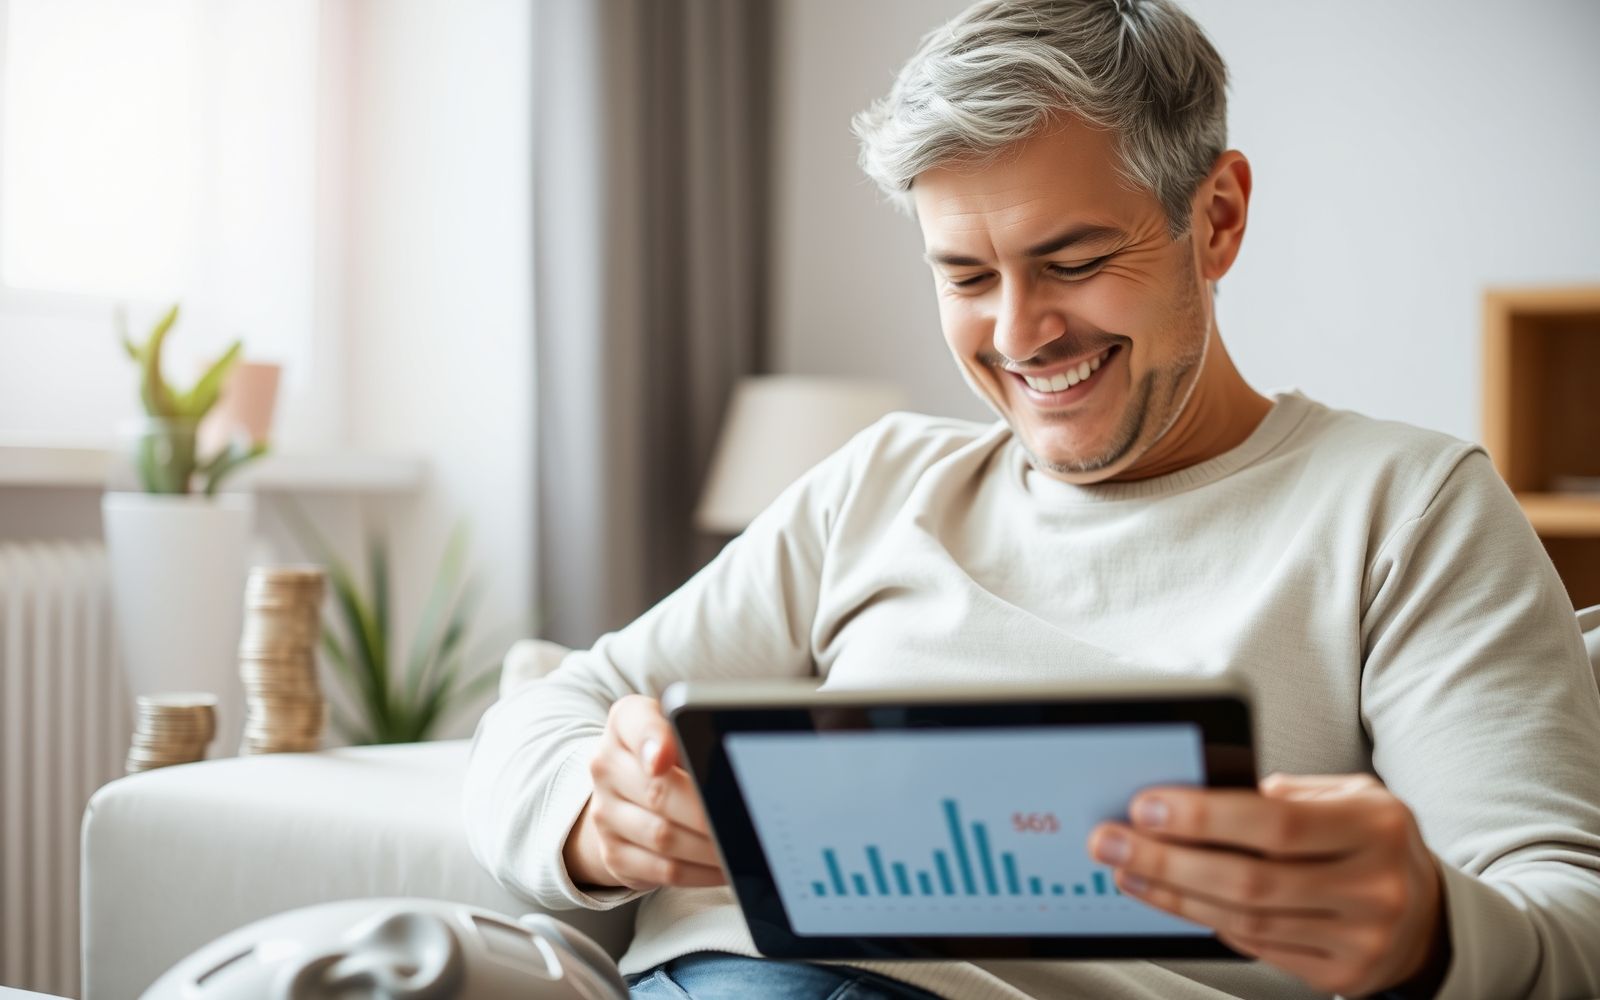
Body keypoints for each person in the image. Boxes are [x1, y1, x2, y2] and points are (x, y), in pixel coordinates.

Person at [464, 1, 1600, 997]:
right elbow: (550, 711)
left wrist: (1424, 927)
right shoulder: (882, 481)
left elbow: (1567, 921)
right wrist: (593, 812)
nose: (1018, 335)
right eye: (964, 276)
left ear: (1215, 219)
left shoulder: (1405, 508)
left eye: (1071, 260)